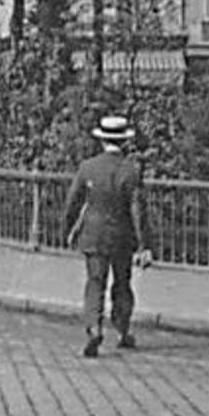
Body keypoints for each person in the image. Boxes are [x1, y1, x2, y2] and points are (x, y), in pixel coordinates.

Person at [62, 114, 152, 358]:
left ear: (101, 141)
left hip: (93, 234)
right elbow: (137, 209)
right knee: (122, 283)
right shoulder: (131, 170)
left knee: (95, 282)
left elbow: (73, 202)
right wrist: (144, 243)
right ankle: (122, 331)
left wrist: (68, 228)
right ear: (124, 142)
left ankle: (94, 327)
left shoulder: (87, 167)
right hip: (122, 236)